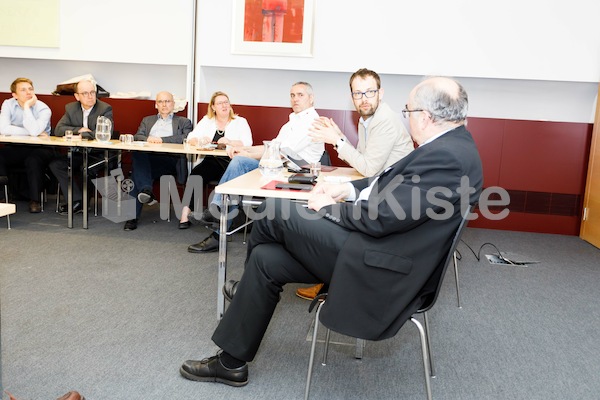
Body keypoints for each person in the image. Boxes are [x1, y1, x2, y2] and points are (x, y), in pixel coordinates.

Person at [179, 76, 483, 387]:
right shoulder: (451, 146)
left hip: (380, 264)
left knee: (273, 212)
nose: (406, 118)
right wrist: (346, 191)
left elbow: (382, 217)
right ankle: (231, 363)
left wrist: (326, 207)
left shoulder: (447, 158)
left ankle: (241, 288)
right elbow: (387, 184)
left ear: (427, 117)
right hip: (378, 246)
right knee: (267, 259)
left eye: (408, 112)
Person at [297, 67, 415, 300]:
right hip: (379, 187)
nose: (363, 99)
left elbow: (369, 167)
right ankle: (329, 276)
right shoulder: (367, 120)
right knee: (329, 197)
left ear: (380, 93)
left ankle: (330, 281)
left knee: (327, 211)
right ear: (352, 96)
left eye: (369, 92)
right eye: (357, 93)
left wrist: (337, 140)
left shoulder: (385, 120)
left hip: (390, 201)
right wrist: (339, 135)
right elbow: (364, 159)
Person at [187, 81, 324, 253]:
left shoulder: (312, 122)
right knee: (238, 162)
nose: (295, 99)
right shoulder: (291, 122)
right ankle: (218, 213)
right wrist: (243, 149)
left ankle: (218, 224)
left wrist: (247, 153)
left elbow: (281, 152)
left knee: (240, 162)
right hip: (279, 169)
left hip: (296, 175)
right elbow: (272, 146)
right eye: (292, 95)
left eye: (300, 95)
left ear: (311, 98)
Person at [178, 91, 253, 229]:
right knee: (196, 174)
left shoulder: (240, 122)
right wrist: (199, 140)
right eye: (220, 103)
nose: (224, 105)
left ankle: (221, 216)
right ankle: (185, 214)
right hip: (211, 161)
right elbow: (190, 138)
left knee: (229, 179)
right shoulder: (207, 121)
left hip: (232, 163)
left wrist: (230, 141)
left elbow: (248, 143)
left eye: (226, 102)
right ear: (213, 107)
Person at [123, 91, 193, 231]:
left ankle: (133, 215)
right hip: (149, 158)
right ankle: (146, 191)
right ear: (156, 105)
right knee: (138, 155)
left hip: (170, 159)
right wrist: (148, 139)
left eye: (167, 101)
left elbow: (185, 138)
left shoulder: (183, 122)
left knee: (137, 173)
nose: (164, 104)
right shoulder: (147, 120)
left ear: (173, 104)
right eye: (161, 101)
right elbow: (138, 136)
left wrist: (162, 140)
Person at [49, 78, 114, 215]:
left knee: (86, 167)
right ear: (77, 96)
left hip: (98, 154)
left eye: (92, 92)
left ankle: (82, 202)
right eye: (85, 93)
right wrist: (79, 130)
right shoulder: (71, 108)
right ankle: (77, 201)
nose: (90, 96)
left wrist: (84, 135)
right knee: (56, 164)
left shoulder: (105, 109)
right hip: (78, 152)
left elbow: (104, 133)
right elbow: (59, 130)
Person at [0, 77, 54, 213]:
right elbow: (3, 129)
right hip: (18, 146)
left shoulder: (43, 108)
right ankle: (4, 195)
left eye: (30, 89)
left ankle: (34, 201)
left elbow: (35, 131)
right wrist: (30, 132)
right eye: (23, 90)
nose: (28, 92)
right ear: (14, 95)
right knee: (1, 155)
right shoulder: (8, 104)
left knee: (33, 160)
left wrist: (26, 107)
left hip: (42, 148)